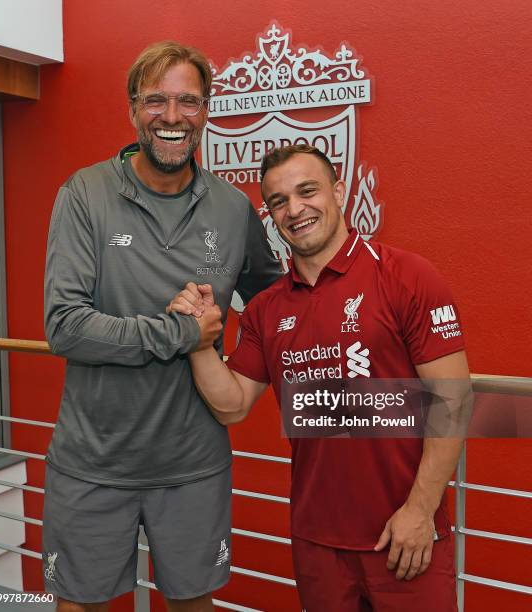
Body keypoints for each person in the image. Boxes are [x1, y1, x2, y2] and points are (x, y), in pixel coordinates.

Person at [169, 144, 471, 611]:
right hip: (317, 542)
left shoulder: (407, 276)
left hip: (405, 533)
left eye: (307, 191)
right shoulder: (266, 309)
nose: (295, 209)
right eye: (279, 201)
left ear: (339, 191)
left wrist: (420, 509)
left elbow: (452, 402)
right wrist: (197, 339)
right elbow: (231, 404)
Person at [43, 41, 280, 612]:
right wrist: (180, 335)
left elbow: (276, 303)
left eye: (188, 102)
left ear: (206, 111)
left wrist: (249, 373)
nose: (172, 117)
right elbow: (64, 325)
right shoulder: (84, 194)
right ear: (133, 110)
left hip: (194, 465)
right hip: (92, 464)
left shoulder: (231, 206)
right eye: (156, 101)